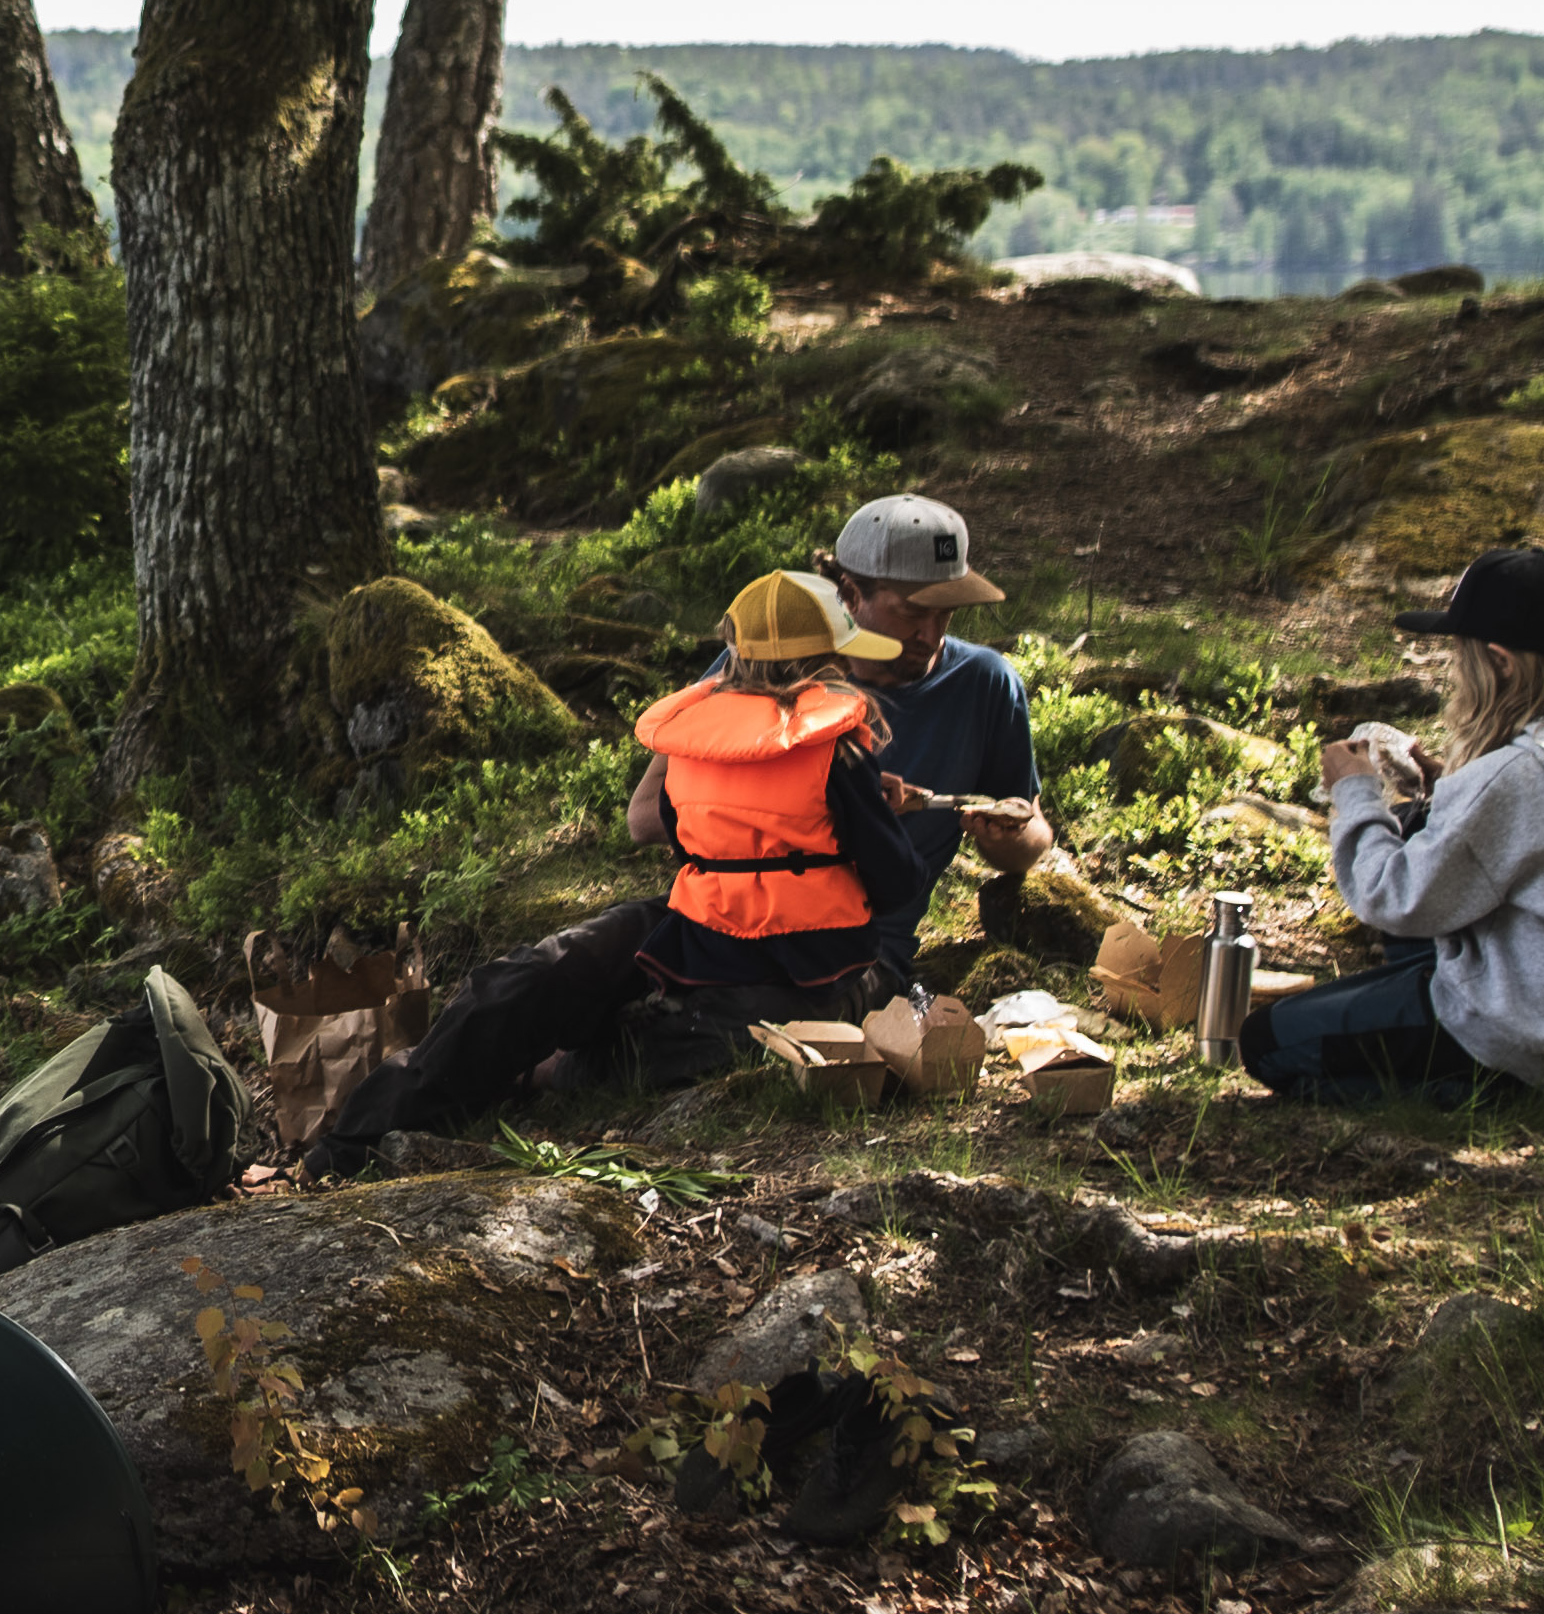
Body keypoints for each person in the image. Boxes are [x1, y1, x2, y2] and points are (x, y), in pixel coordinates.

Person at [303, 571, 947, 1163]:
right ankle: (549, 1071)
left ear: (737, 656)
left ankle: (353, 1139)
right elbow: (896, 886)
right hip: (801, 960)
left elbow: (696, 835)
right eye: (841, 657)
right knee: (706, 1033)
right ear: (825, 665)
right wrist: (869, 815)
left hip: (706, 939)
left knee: (529, 977)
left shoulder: (696, 740)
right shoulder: (840, 751)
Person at [1252, 546, 1544, 1111]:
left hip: (1522, 1038)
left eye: (1461, 654)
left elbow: (1391, 897)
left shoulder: (1512, 777)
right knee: (1420, 850)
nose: (1456, 670)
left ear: (1500, 662)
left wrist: (1356, 792)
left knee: (1267, 1042)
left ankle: (1508, 1097)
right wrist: (1451, 792)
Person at [826, 491, 1060, 882]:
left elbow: (1029, 839)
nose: (931, 635)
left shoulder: (983, 681)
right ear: (850, 594)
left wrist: (1008, 836)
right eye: (912, 612)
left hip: (885, 919)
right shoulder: (776, 665)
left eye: (946, 613)